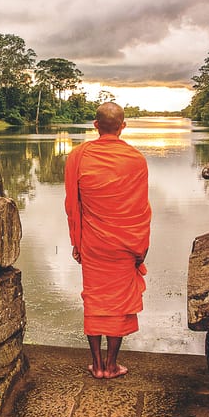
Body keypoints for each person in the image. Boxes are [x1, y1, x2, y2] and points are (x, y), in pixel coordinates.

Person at [64, 102, 151, 379]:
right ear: (123, 126)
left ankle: (97, 364)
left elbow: (72, 205)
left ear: (95, 125)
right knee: (118, 304)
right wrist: (141, 248)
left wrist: (77, 241)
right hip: (125, 243)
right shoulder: (136, 159)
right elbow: (141, 209)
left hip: (93, 243)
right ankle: (111, 365)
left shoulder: (79, 156)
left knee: (95, 299)